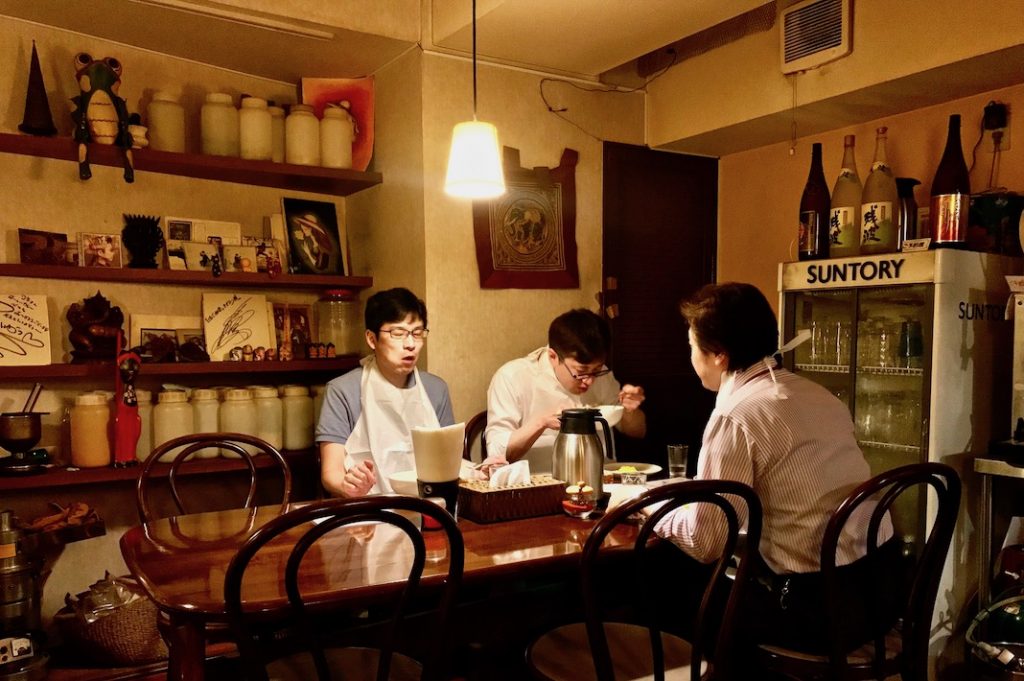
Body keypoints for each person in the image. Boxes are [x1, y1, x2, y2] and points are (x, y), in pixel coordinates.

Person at [652, 282, 895, 654]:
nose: (690, 357)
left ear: (718, 354)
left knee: (671, 590)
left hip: (814, 610)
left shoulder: (737, 414)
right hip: (879, 592)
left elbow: (705, 543)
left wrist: (652, 511)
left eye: (691, 347)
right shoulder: (818, 395)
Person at [317, 288, 454, 497]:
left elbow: (449, 462)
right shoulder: (343, 390)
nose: (410, 345)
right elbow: (331, 473)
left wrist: (482, 470)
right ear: (372, 339)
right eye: (397, 334)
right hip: (367, 513)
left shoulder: (436, 389)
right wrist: (348, 485)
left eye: (417, 334)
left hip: (429, 510)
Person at [485, 308, 645, 473]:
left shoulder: (601, 374)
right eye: (581, 372)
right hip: (536, 486)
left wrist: (630, 410)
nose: (589, 380)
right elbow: (497, 453)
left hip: (599, 479)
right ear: (553, 357)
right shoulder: (513, 377)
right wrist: (541, 423)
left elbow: (637, 432)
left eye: (596, 369)